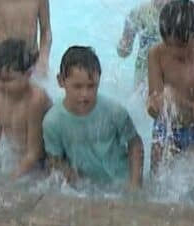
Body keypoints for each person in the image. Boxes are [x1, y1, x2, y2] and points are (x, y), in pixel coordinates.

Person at [43, 46, 143, 189]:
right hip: (85, 187)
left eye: (91, 86)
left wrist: (135, 184)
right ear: (61, 81)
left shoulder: (114, 111)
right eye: (77, 87)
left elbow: (135, 144)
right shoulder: (53, 121)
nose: (84, 94)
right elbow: (55, 160)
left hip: (120, 182)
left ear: (99, 80)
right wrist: (71, 177)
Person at [146, 0, 194, 173]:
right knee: (157, 177)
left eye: (181, 46)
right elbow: (154, 104)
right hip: (166, 125)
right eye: (169, 44)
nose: (174, 52)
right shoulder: (156, 54)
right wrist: (154, 104)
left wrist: (175, 99)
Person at [0, 39, 52, 178]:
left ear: (28, 74)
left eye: (8, 80)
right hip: (18, 155)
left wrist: (11, 178)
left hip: (42, 162)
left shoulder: (35, 100)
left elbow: (35, 152)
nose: (2, 85)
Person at [119, 0, 184, 88]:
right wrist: (123, 45)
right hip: (145, 73)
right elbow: (124, 51)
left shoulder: (184, 14)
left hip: (174, 73)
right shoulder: (138, 13)